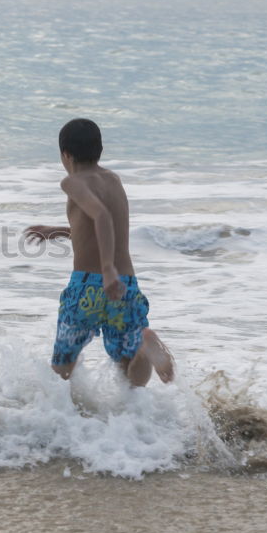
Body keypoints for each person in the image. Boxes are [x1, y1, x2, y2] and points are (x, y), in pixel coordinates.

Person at [26, 118, 174, 387]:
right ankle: (145, 347)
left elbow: (101, 216)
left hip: (89, 287)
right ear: (100, 150)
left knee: (62, 368)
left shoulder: (73, 182)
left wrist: (106, 269)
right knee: (129, 368)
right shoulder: (113, 180)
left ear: (66, 154)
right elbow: (103, 229)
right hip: (125, 284)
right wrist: (57, 231)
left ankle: (59, 421)